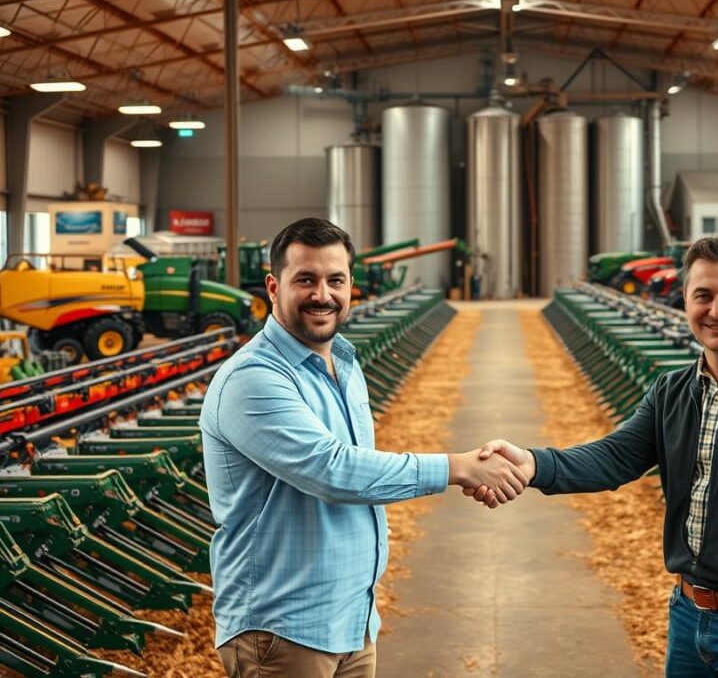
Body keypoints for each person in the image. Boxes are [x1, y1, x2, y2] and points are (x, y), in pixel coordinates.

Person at [467, 235, 718, 677]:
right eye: (704, 296)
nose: (717, 311)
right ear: (685, 300)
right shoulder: (672, 391)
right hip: (688, 614)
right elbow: (615, 457)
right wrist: (532, 463)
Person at [200, 218, 526, 678]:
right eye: (305, 280)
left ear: (352, 284)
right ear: (273, 287)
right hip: (283, 632)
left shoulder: (345, 365)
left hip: (353, 622)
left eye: (335, 280)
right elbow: (333, 471)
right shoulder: (252, 378)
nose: (322, 295)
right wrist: (459, 468)